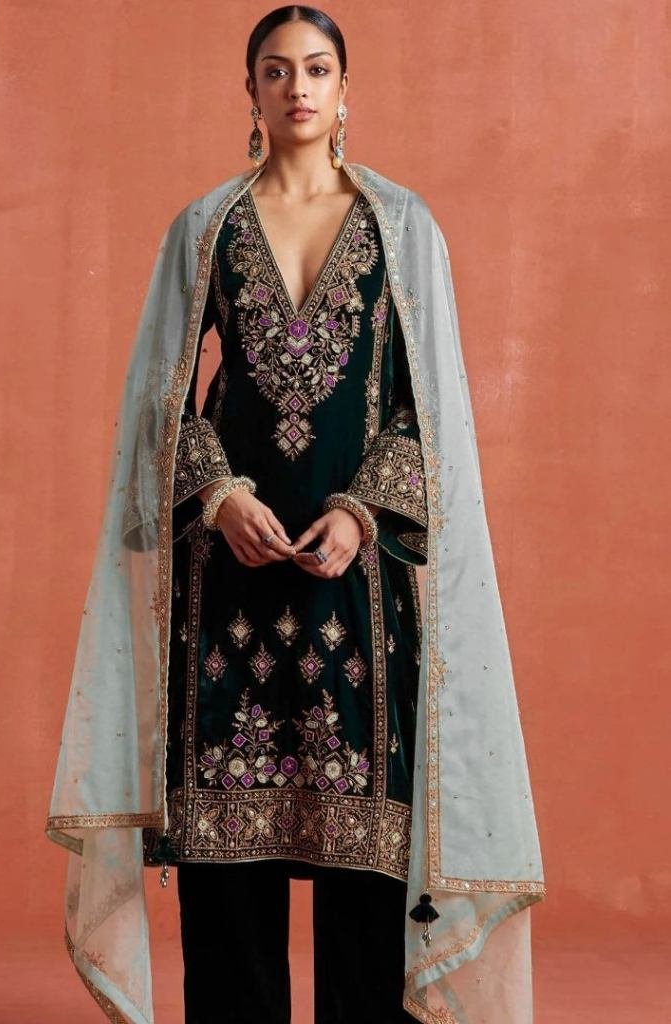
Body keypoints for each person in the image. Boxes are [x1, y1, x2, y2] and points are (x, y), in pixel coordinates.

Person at [46, 6, 546, 1024]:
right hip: (227, 583)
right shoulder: (206, 228)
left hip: (353, 588)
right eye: (276, 71)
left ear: (344, 89)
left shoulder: (401, 228)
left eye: (316, 69)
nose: (297, 88)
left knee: (365, 866)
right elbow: (162, 401)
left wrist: (361, 514)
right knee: (227, 872)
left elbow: (425, 410)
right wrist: (219, 493)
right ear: (251, 92)